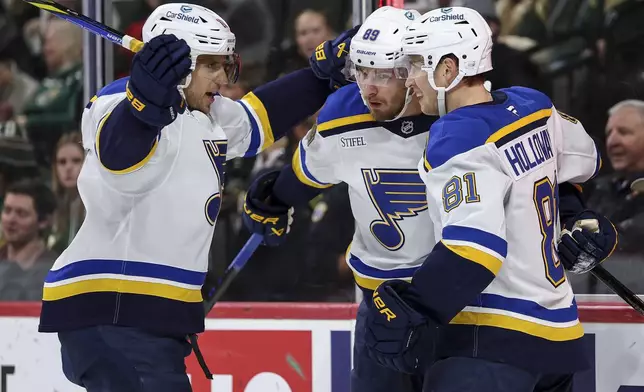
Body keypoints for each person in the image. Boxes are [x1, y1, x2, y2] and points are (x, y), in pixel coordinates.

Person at [239, 6, 613, 392]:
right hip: (391, 302)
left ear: (436, 69)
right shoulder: (347, 115)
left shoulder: (458, 126)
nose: (368, 87)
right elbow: (305, 174)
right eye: (360, 72)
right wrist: (273, 198)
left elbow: (481, 242)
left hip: (460, 306)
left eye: (389, 72)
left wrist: (572, 215)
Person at [37, 3, 355, 391]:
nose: (223, 78)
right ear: (179, 66)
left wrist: (322, 77)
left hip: (146, 318)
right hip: (113, 310)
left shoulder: (205, 112)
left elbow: (257, 120)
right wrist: (144, 101)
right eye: (211, 65)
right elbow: (120, 155)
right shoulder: (118, 102)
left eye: (227, 65)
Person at [362, 7, 618, 392]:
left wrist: (416, 307)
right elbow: (581, 164)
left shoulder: (458, 137)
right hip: (557, 343)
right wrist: (576, 218)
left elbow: (475, 248)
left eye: (416, 64)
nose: (410, 79)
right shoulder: (535, 107)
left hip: (489, 345)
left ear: (447, 69)